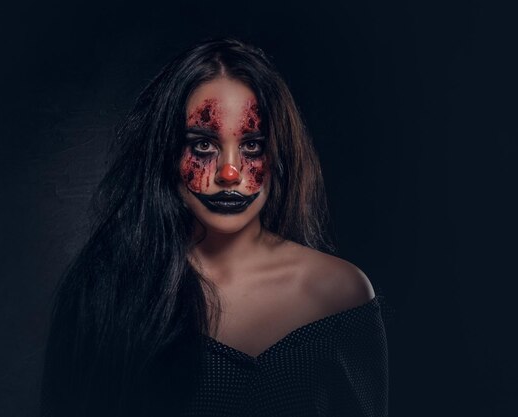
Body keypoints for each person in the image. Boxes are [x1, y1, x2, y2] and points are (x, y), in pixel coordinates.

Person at [40, 38, 388, 417]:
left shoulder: (339, 294)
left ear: (279, 153)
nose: (229, 172)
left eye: (253, 146)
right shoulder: (104, 288)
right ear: (167, 153)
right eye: (203, 146)